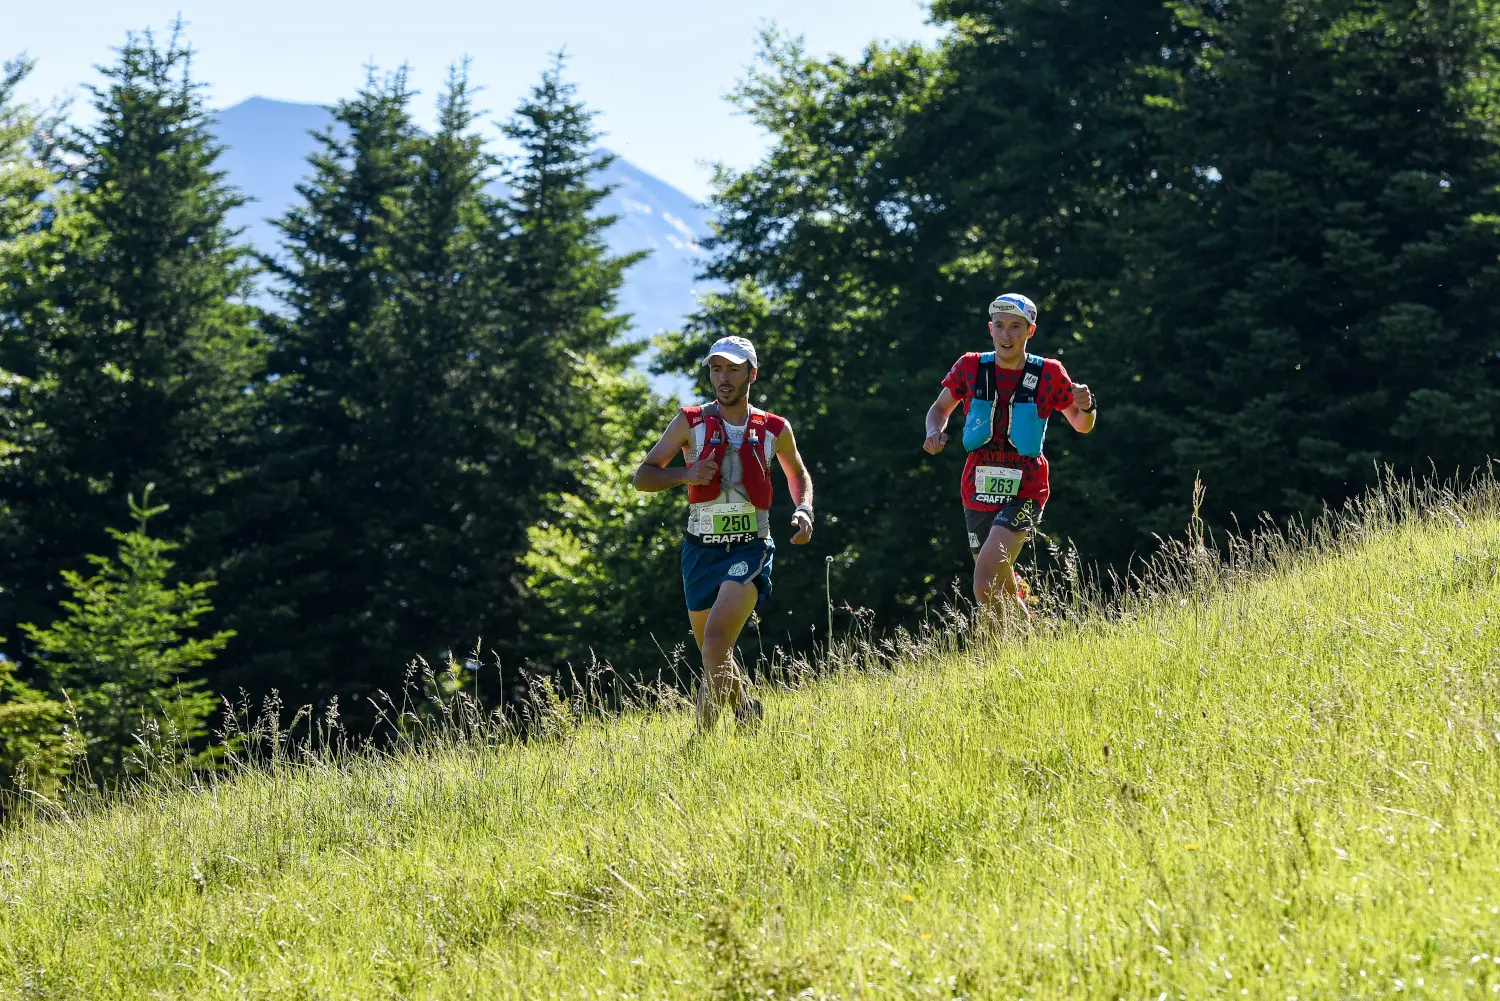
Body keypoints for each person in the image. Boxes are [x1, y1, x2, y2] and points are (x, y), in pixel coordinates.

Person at [634, 336, 815, 730]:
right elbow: (643, 477)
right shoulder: (690, 422)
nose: (723, 377)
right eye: (716, 368)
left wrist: (803, 508)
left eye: (733, 368)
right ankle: (747, 709)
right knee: (714, 653)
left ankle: (700, 744)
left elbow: (797, 473)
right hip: (700, 551)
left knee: (716, 642)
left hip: (749, 549)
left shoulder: (774, 428)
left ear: (752, 373)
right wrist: (685, 474)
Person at [922, 293, 1096, 617]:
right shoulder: (970, 366)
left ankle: (1012, 650)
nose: (1006, 335)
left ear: (1030, 331)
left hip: (1027, 489)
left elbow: (1082, 424)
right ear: (990, 329)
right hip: (977, 489)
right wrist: (934, 432)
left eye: (1015, 326)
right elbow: (939, 408)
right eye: (1000, 326)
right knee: (1000, 585)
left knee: (984, 582)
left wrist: (1088, 405)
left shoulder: (1050, 373)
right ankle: (1027, 643)